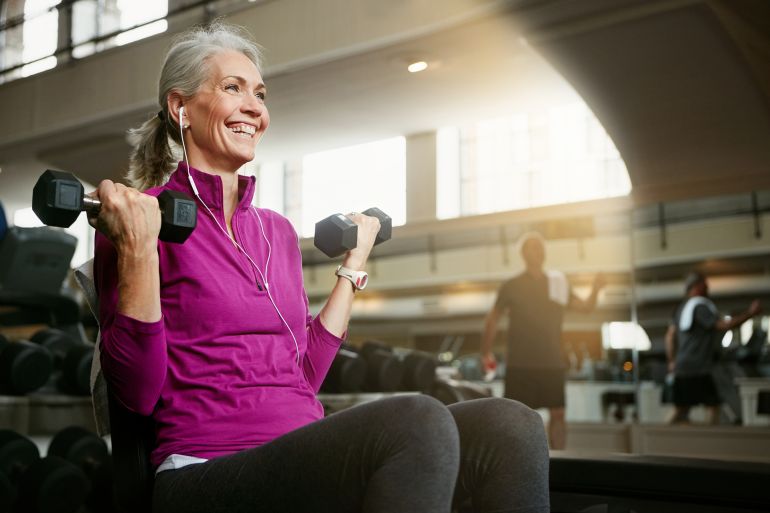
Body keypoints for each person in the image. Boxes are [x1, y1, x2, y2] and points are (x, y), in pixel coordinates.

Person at [89, 23, 549, 513]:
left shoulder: (277, 232)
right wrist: (137, 249)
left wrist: (353, 266)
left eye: (260, 94)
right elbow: (136, 395)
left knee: (510, 426)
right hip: (205, 468)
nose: (254, 108)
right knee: (416, 420)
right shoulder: (142, 218)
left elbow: (303, 377)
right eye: (232, 88)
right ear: (180, 107)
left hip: (299, 452)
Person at [481, 232, 606, 450]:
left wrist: (595, 289)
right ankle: (516, 461)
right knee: (515, 416)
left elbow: (585, 307)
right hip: (521, 363)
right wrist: (486, 352)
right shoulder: (512, 285)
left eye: (540, 246)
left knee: (558, 414)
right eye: (532, 247)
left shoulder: (557, 283)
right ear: (522, 253)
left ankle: (559, 463)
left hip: (551, 362)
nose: (537, 250)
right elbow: (492, 319)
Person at [665, 271, 762, 424]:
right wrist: (750, 313)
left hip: (682, 366)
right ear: (696, 287)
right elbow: (723, 325)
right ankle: (708, 443)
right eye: (705, 286)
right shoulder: (700, 307)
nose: (707, 289)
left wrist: (672, 360)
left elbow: (670, 336)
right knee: (713, 406)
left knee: (681, 409)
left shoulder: (681, 308)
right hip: (699, 366)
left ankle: (660, 440)